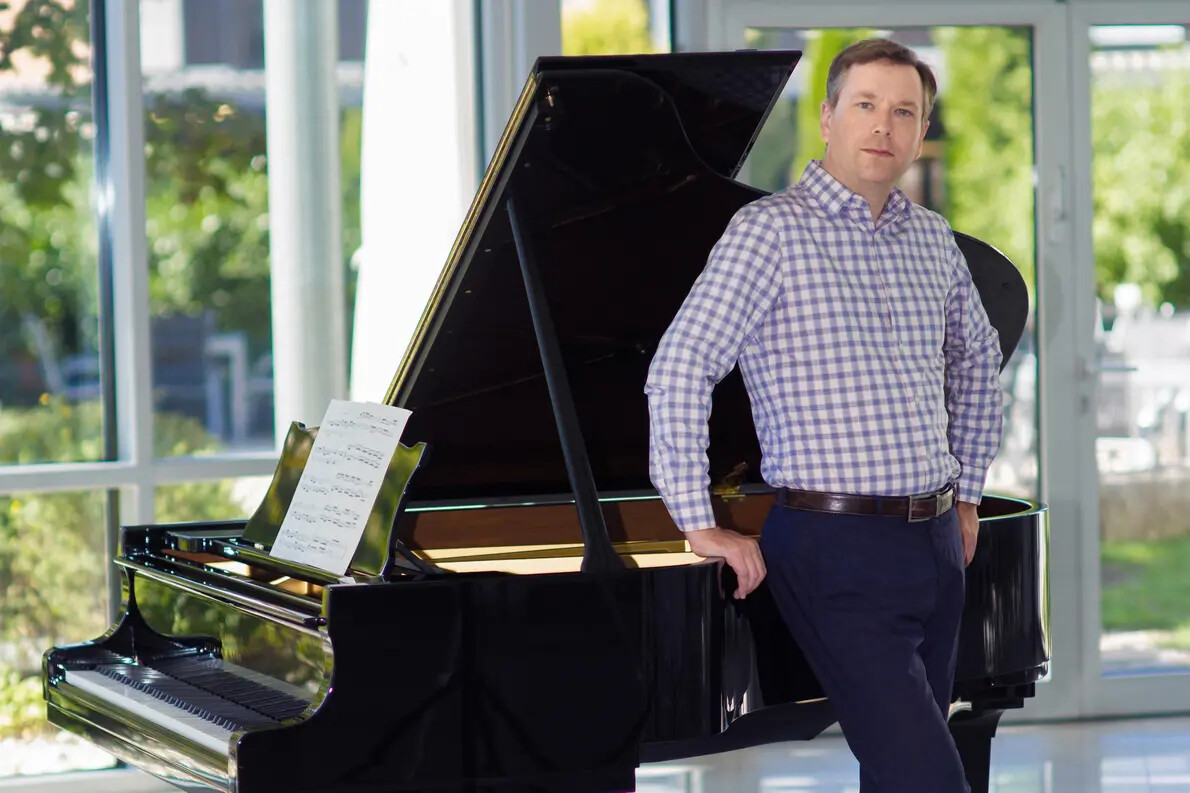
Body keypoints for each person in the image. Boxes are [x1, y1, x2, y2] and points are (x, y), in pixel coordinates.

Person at [644, 38, 1003, 792]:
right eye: (866, 105)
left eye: (904, 111)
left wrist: (967, 491)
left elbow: (979, 362)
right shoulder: (770, 233)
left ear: (919, 130)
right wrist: (694, 517)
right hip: (833, 549)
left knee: (895, 774)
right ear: (829, 118)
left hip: (937, 546)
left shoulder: (932, 240)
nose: (884, 125)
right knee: (929, 778)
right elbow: (680, 364)